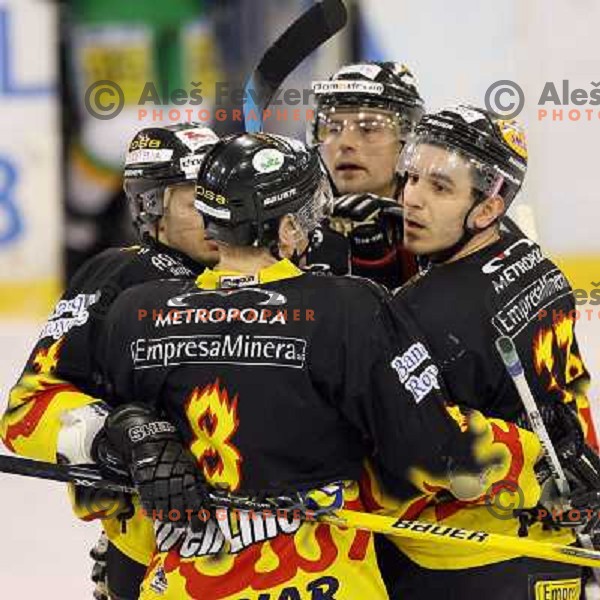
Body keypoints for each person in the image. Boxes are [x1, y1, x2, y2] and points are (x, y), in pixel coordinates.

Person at [90, 132, 544, 599]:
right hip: (316, 583)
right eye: (307, 215)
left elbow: (105, 458)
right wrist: (528, 462)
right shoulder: (348, 308)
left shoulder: (136, 310)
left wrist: (128, 433)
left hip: (180, 586)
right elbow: (430, 453)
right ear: (288, 230)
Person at [369, 103, 599, 599]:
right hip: (557, 544)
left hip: (460, 561)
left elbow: (405, 462)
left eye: (440, 187)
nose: (411, 200)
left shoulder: (414, 314)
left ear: (488, 209)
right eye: (411, 179)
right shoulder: (536, 262)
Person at [0, 122, 220, 600]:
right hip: (154, 550)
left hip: (275, 551)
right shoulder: (123, 277)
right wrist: (122, 432)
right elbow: (26, 411)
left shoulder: (269, 272)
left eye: (222, 193)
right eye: (195, 199)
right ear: (152, 206)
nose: (217, 212)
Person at [308, 61, 424, 288]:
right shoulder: (294, 223)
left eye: (369, 128)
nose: (345, 143)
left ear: (407, 142)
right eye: (333, 128)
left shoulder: (445, 221)